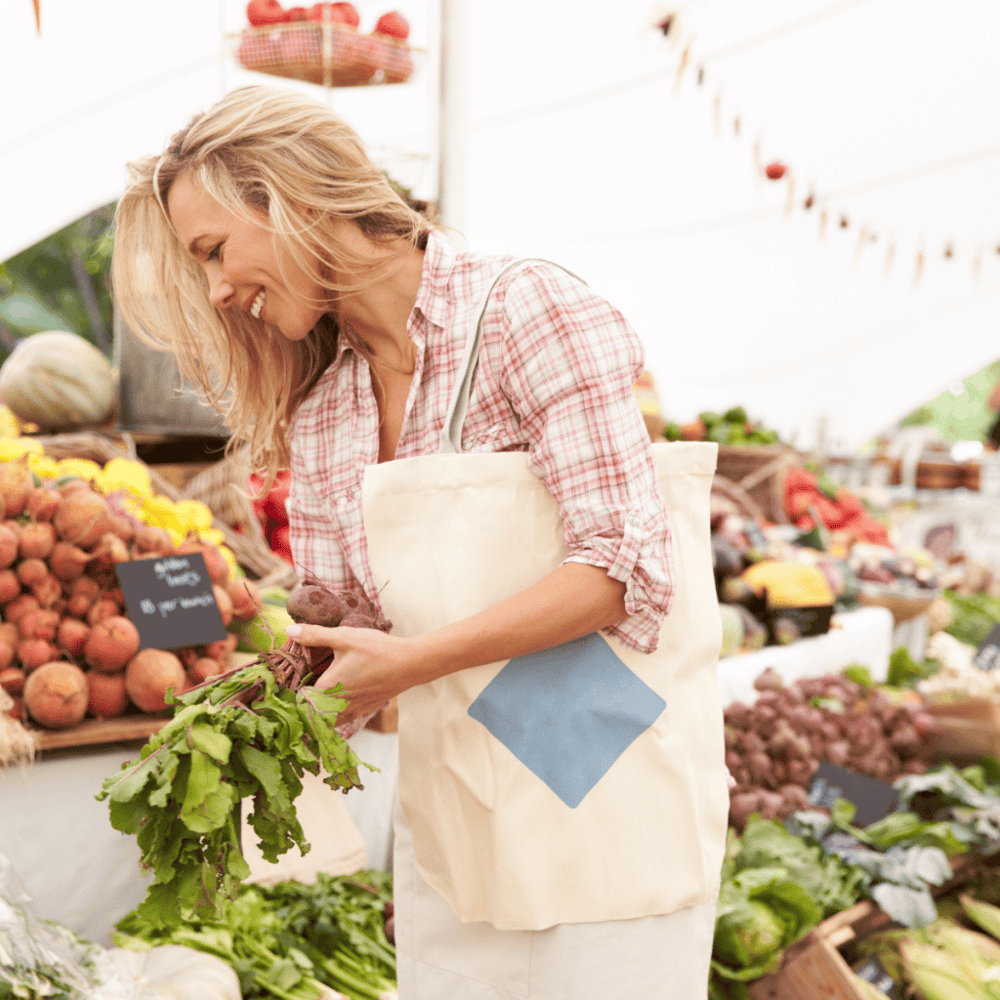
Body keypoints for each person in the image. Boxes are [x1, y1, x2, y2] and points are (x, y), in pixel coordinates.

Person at [111, 85, 726, 999]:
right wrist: (257, 685)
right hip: (463, 821)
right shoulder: (326, 408)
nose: (216, 291)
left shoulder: (528, 312)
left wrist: (408, 663)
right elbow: (347, 626)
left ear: (295, 201)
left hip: (605, 792)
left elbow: (617, 574)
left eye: (214, 251)